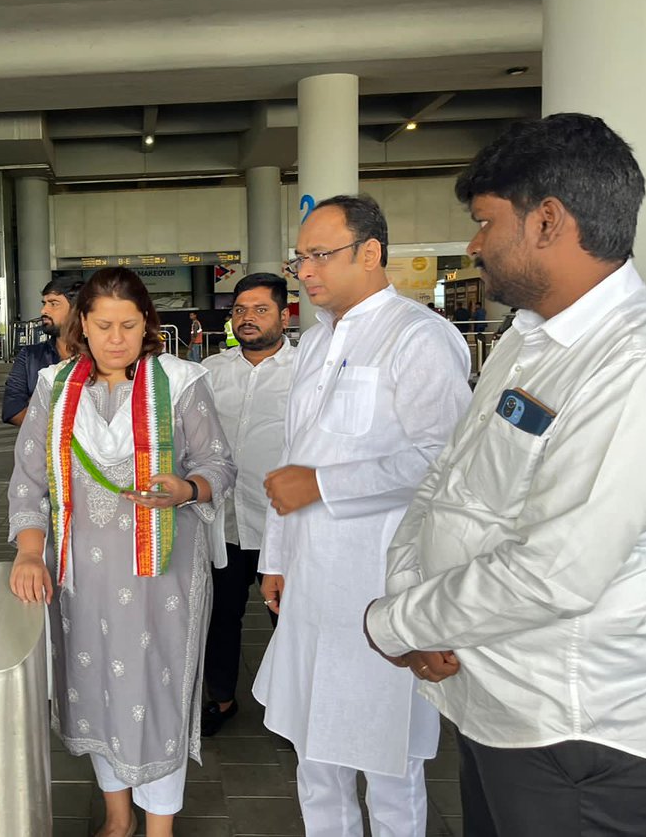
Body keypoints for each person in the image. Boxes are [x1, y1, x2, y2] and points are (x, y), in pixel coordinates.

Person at [364, 113, 646, 837]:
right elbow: (445, 484)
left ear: (548, 222)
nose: (474, 245)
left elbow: (557, 570)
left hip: (576, 739)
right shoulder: (530, 342)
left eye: (486, 223)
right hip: (495, 708)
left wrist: (396, 621)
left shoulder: (632, 364)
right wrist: (411, 594)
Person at [252, 194, 471, 835]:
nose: (307, 271)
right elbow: (291, 462)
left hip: (380, 582)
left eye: (321, 255)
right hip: (311, 580)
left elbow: (442, 461)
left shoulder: (419, 336)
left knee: (389, 764)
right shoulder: (316, 344)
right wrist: (276, 557)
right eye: (302, 259)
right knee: (314, 757)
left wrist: (323, 484)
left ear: (371, 253)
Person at [9, 267, 236, 837]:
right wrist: (30, 553)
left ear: (146, 326)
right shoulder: (54, 388)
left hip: (161, 574)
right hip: (80, 577)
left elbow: (219, 465)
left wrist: (185, 489)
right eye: (103, 324)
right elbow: (26, 481)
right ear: (82, 323)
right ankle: (117, 816)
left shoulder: (182, 381)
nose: (115, 338)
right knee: (97, 690)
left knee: (155, 689)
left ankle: (158, 825)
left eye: (128, 325)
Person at [199, 272, 294, 737]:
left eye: (260, 309)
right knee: (220, 615)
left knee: (288, 618)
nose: (247, 319)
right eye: (240, 310)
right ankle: (221, 698)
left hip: (283, 521)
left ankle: (290, 709)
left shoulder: (306, 373)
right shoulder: (211, 372)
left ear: (284, 315)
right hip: (223, 521)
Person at [3, 276, 82, 425]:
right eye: (44, 303)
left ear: (76, 309)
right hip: (42, 447)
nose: (44, 310)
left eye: (53, 304)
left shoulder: (98, 356)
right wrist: (60, 432)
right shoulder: (29, 356)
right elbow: (12, 409)